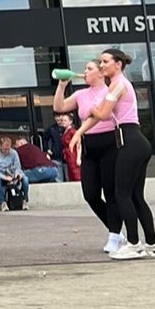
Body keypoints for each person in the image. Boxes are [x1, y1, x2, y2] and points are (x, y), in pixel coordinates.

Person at [73, 48, 155, 260]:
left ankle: (134, 244)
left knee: (122, 195)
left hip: (130, 141)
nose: (102, 65)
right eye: (101, 62)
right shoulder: (115, 85)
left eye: (105, 62)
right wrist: (79, 132)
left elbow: (102, 114)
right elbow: (99, 115)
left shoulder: (118, 84)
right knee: (136, 197)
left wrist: (91, 110)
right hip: (133, 141)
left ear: (118, 64)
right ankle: (153, 244)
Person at [54, 61, 123, 253]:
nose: (85, 72)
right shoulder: (81, 94)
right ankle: (116, 230)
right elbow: (59, 107)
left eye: (89, 68)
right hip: (89, 146)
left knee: (111, 192)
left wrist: (78, 132)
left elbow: (100, 115)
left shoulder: (109, 91)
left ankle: (114, 234)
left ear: (101, 73)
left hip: (109, 143)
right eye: (85, 69)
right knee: (90, 194)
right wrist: (61, 86)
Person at [0, 137, 26, 208]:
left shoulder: (14, 153)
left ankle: (24, 200)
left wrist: (17, 173)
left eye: (8, 149)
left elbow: (18, 166)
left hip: (12, 174)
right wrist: (4, 177)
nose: (7, 151)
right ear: (0, 146)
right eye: (5, 149)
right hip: (0, 175)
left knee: (25, 179)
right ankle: (2, 202)